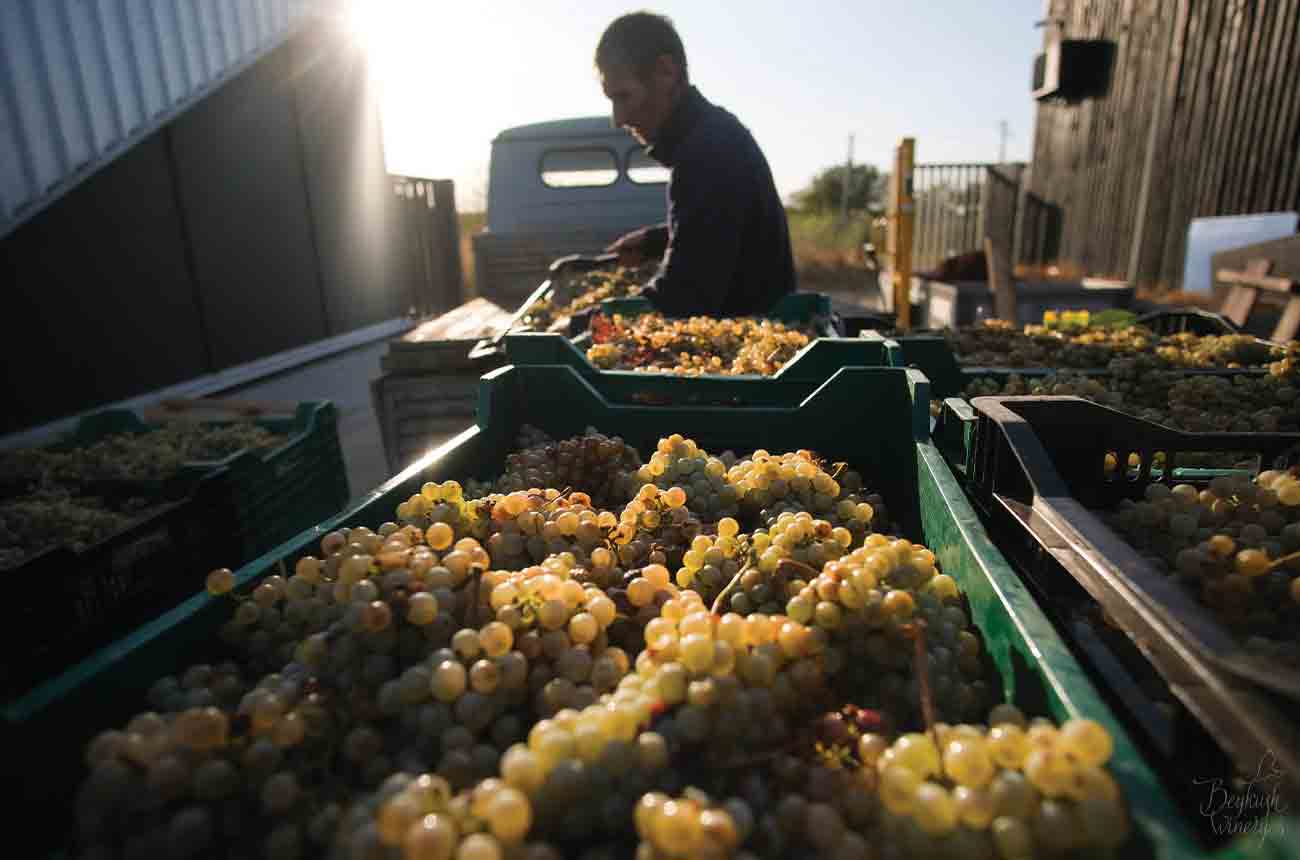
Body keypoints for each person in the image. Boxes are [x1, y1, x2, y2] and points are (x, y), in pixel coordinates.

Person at [596, 12, 796, 317]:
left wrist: (575, 327)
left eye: (624, 96)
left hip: (750, 346)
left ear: (666, 71)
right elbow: (717, 228)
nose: (618, 118)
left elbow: (682, 299)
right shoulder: (714, 135)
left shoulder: (708, 151)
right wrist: (655, 241)